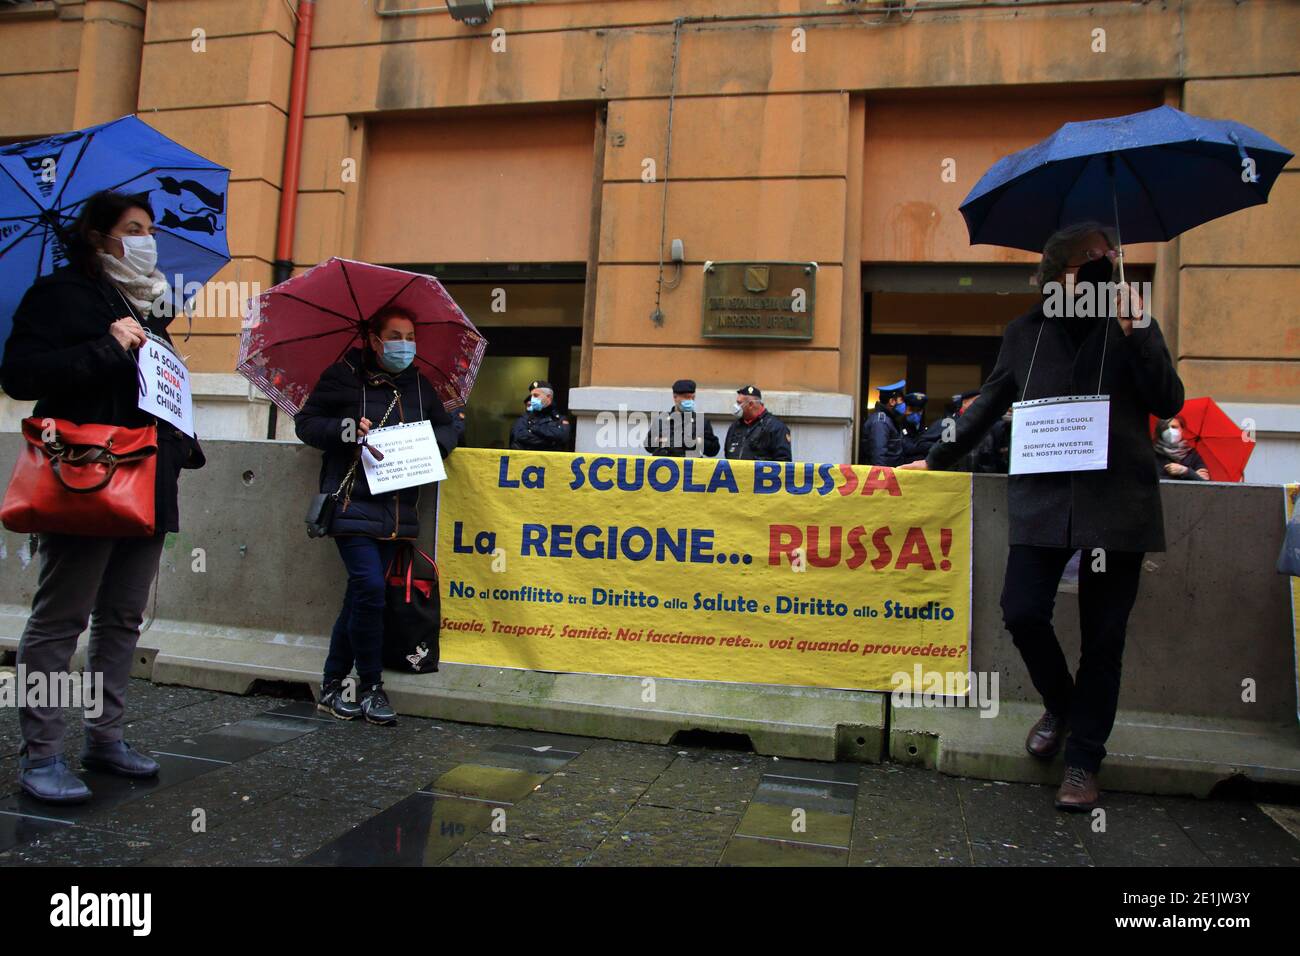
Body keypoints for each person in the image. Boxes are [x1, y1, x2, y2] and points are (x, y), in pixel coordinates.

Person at [902, 221, 1184, 812]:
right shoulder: (1024, 333)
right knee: (1022, 611)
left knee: (1104, 640)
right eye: (1089, 259)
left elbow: (1168, 399)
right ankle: (1062, 703)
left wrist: (1139, 326)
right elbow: (986, 404)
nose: (1103, 265)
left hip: (1116, 506)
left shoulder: (1128, 326)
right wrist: (934, 458)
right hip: (1046, 499)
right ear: (1057, 273)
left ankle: (1083, 761)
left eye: (1109, 256)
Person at [0, 189, 206, 804]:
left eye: (151, 229)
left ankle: (105, 737)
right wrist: (107, 347)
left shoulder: (151, 308)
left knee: (122, 617)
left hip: (148, 485)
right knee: (60, 619)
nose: (147, 239)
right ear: (97, 236)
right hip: (85, 480)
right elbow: (21, 376)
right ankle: (41, 753)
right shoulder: (61, 296)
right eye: (134, 228)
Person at [295, 306, 459, 725]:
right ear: (374, 339)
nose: (405, 344)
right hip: (351, 502)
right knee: (369, 587)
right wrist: (349, 429)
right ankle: (371, 687)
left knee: (360, 598)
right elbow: (308, 424)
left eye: (410, 336)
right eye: (396, 335)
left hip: (399, 509)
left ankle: (332, 688)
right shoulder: (342, 376)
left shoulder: (420, 386)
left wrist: (428, 442)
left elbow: (451, 428)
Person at [644, 378, 719, 458]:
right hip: (666, 466)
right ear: (675, 397)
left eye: (692, 398)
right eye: (686, 397)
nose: (690, 401)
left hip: (690, 467)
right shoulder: (661, 420)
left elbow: (713, 450)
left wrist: (695, 442)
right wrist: (664, 441)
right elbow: (648, 445)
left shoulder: (701, 421)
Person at [724, 385, 791, 462]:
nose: (736, 406)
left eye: (739, 403)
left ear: (751, 405)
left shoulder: (775, 427)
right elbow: (727, 454)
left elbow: (783, 462)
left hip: (761, 474)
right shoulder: (735, 426)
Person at [509, 379, 570, 451]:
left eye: (535, 395)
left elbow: (562, 437)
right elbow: (519, 437)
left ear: (548, 397)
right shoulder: (525, 418)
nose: (532, 399)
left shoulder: (559, 419)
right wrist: (551, 442)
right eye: (531, 396)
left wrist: (533, 429)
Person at [861, 379, 910, 466]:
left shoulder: (890, 420)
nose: (904, 404)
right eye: (901, 400)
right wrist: (882, 478)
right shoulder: (881, 422)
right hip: (885, 476)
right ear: (891, 402)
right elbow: (878, 456)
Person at [1152, 416, 1210, 481]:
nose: (1170, 431)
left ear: (1182, 430)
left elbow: (1205, 483)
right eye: (1165, 428)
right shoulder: (1152, 453)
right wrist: (1192, 475)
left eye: (1174, 427)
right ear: (1160, 431)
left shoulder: (1192, 455)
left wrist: (1184, 471)